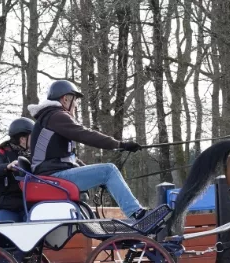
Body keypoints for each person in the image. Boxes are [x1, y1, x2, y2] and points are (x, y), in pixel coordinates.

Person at [27, 80, 148, 220]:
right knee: (109, 170)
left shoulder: (50, 117)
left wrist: (94, 175)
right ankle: (137, 214)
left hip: (51, 175)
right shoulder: (57, 116)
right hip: (52, 178)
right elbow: (85, 134)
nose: (76, 105)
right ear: (65, 99)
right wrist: (120, 144)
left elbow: (69, 158)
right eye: (75, 100)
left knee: (106, 173)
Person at [0, 117, 34, 222]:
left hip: (31, 205)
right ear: (23, 139)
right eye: (32, 136)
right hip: (9, 207)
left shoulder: (35, 154)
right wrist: (7, 167)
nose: (34, 139)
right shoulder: (3, 151)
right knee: (2, 232)